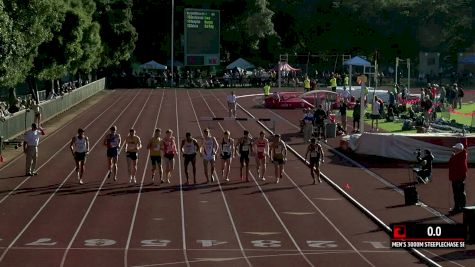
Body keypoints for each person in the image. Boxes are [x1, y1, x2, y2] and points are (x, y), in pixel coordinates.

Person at [448, 142, 468, 214]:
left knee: (458, 193)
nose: (454, 150)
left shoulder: (460, 157)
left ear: (459, 150)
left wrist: (452, 157)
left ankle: (459, 208)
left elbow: (453, 165)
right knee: (459, 193)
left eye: (455, 148)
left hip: (458, 178)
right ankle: (460, 207)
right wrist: (452, 157)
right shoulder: (458, 156)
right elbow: (450, 164)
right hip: (457, 177)